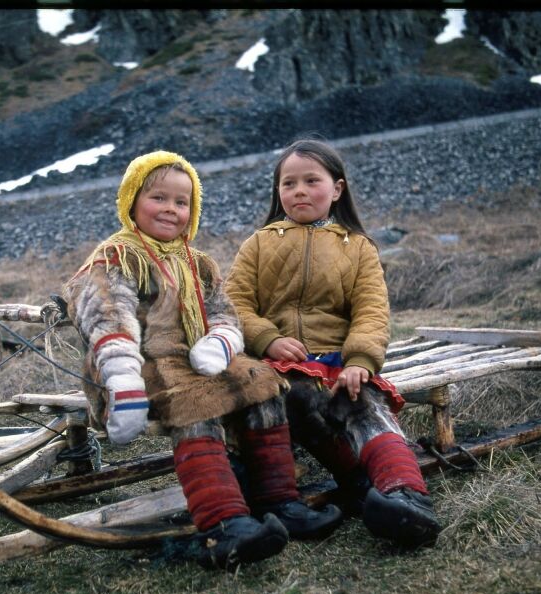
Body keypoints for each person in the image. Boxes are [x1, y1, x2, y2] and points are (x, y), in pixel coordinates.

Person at [63, 150, 342, 571]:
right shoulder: (116, 258)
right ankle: (223, 523)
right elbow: (106, 314)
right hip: (139, 365)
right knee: (196, 404)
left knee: (262, 384)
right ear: (132, 199)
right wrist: (121, 375)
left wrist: (222, 339)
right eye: (159, 198)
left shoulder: (198, 263)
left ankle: (281, 501)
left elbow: (223, 309)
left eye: (182, 202)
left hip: (196, 359)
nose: (171, 210)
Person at [225, 139, 442, 548]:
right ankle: (288, 504)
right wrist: (267, 339)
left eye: (312, 180)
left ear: (337, 189)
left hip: (337, 361)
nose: (299, 191)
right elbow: (234, 304)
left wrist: (360, 360)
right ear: (278, 192)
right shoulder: (258, 244)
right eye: (288, 183)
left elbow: (371, 311)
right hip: (276, 365)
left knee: (363, 406)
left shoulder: (357, 247)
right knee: (281, 400)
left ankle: (407, 497)